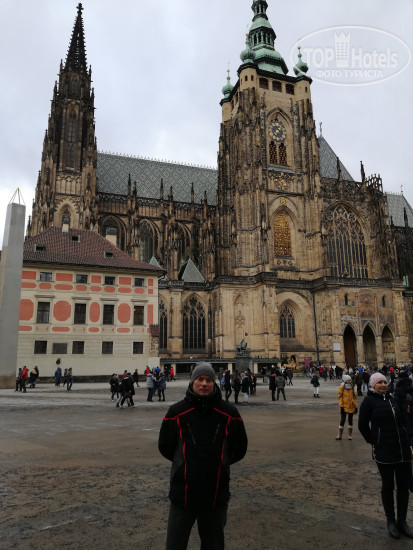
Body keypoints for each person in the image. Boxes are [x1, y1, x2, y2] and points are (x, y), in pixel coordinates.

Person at [158, 362, 248, 550]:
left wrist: (219, 462)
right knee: (175, 544)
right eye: (200, 379)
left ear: (214, 383)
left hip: (215, 494)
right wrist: (184, 462)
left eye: (208, 380)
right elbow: (165, 446)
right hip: (183, 493)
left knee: (213, 544)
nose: (204, 384)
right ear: (192, 382)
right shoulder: (176, 412)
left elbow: (239, 447)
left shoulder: (229, 412)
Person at [359, 373, 413, 539]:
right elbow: (362, 425)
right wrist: (374, 441)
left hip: (402, 449)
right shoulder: (369, 401)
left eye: (384, 382)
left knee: (404, 486)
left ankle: (402, 522)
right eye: (379, 382)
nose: (383, 385)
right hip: (384, 450)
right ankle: (391, 521)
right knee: (388, 486)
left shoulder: (393, 398)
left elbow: (404, 421)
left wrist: (408, 441)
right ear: (373, 385)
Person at [335, 375, 358, 440]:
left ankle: (349, 435)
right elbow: (340, 398)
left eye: (350, 380)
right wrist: (341, 406)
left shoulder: (352, 387)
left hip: (351, 406)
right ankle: (339, 435)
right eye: (348, 380)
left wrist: (356, 407)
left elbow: (354, 398)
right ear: (345, 381)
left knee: (350, 420)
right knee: (342, 420)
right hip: (344, 406)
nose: (350, 381)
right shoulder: (341, 387)